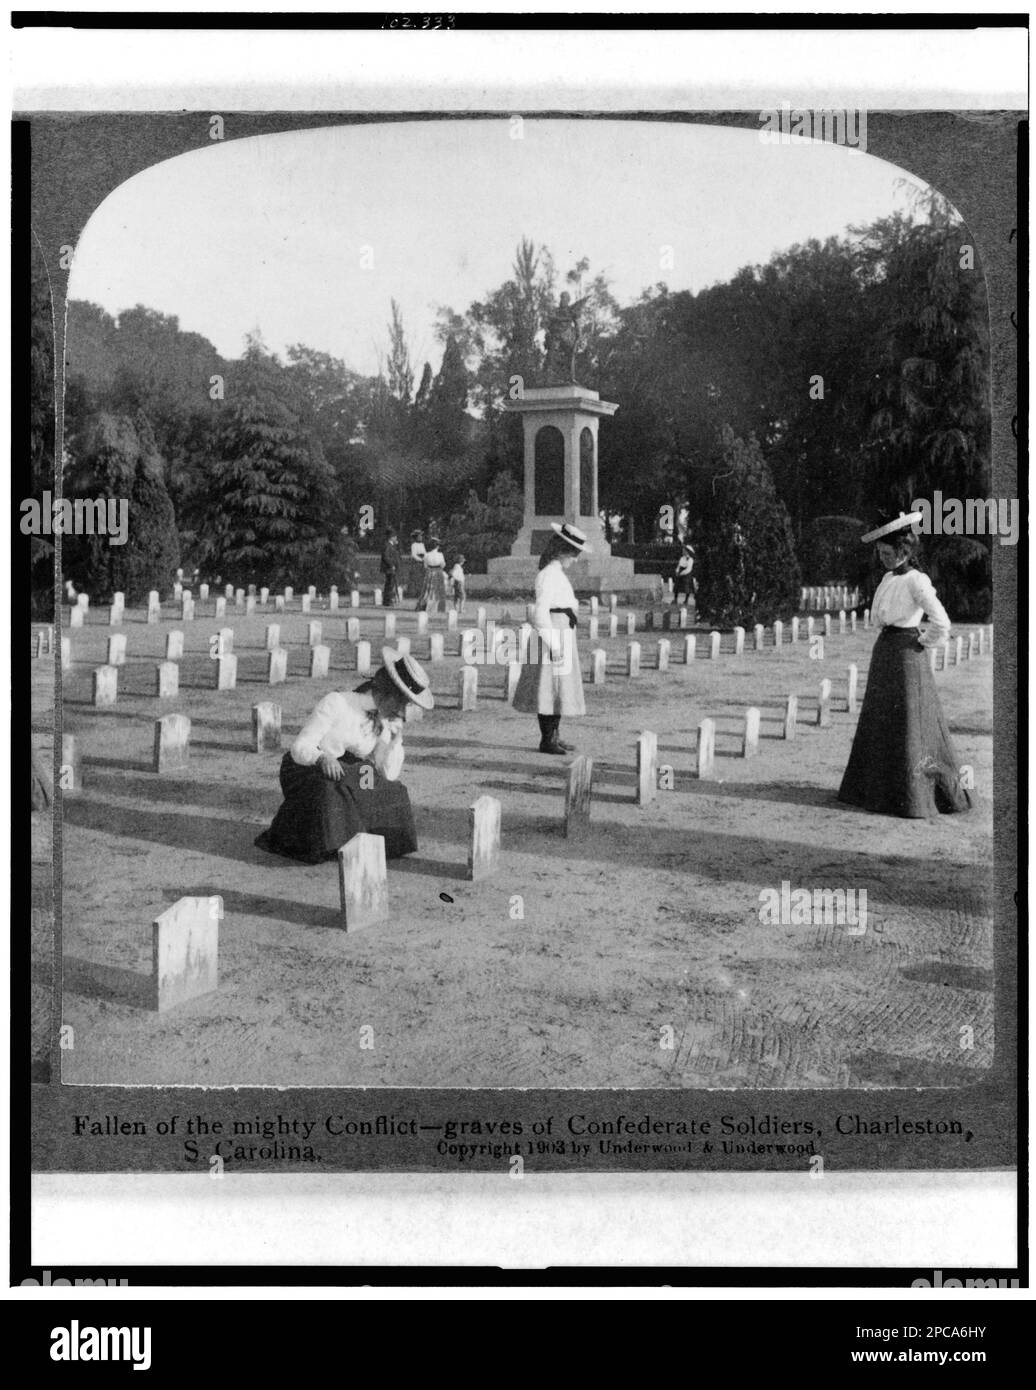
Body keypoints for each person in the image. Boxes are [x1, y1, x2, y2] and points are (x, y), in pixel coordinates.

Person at [837, 512, 972, 819]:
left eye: (888, 554)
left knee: (909, 725)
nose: (883, 559)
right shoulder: (888, 578)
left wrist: (921, 643)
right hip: (885, 652)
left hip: (907, 655)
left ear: (904, 552)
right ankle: (880, 793)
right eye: (880, 554)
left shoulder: (916, 580)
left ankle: (911, 797)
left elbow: (941, 621)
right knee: (882, 722)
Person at [255, 648, 434, 864]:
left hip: (350, 771)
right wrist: (322, 758)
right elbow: (299, 747)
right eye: (402, 703)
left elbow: (387, 774)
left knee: (392, 791)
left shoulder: (385, 720)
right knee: (331, 792)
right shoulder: (337, 703)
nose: (404, 712)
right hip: (307, 769)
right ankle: (331, 844)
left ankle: (368, 841)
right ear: (387, 693)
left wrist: (396, 741)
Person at [512, 522, 589, 754]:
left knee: (558, 688)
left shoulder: (557, 574)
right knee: (547, 687)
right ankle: (547, 739)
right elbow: (540, 613)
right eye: (573, 554)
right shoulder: (547, 575)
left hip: (561, 632)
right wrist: (554, 644)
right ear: (562, 551)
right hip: (550, 636)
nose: (575, 559)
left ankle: (555, 734)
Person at [417, 536, 447, 613]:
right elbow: (443, 565)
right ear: (437, 546)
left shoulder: (426, 555)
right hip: (438, 572)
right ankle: (438, 607)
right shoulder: (440, 554)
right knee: (437, 590)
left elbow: (425, 566)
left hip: (430, 572)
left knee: (428, 589)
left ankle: (424, 606)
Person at [380, 528, 402, 608]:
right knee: (390, 584)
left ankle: (388, 600)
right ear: (391, 537)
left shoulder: (392, 545)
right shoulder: (387, 545)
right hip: (389, 568)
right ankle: (388, 601)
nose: (396, 538)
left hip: (392, 568)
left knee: (391, 584)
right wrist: (391, 565)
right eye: (394, 537)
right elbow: (386, 556)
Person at [674, 542, 696, 607]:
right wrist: (677, 571)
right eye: (683, 550)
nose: (683, 551)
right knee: (676, 586)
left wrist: (681, 573)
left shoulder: (690, 559)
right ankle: (675, 599)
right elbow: (678, 566)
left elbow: (688, 569)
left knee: (687, 587)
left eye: (684, 550)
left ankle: (686, 600)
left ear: (687, 552)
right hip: (680, 573)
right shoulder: (682, 558)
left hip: (686, 574)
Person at [408, 529, 426, 599]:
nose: (421, 537)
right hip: (417, 563)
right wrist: (420, 560)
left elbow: (424, 553)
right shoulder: (414, 545)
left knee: (422, 578)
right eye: (419, 536)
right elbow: (414, 555)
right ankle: (415, 593)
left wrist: (425, 559)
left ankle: (420, 592)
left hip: (422, 562)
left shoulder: (422, 544)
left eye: (421, 536)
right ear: (416, 537)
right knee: (416, 577)